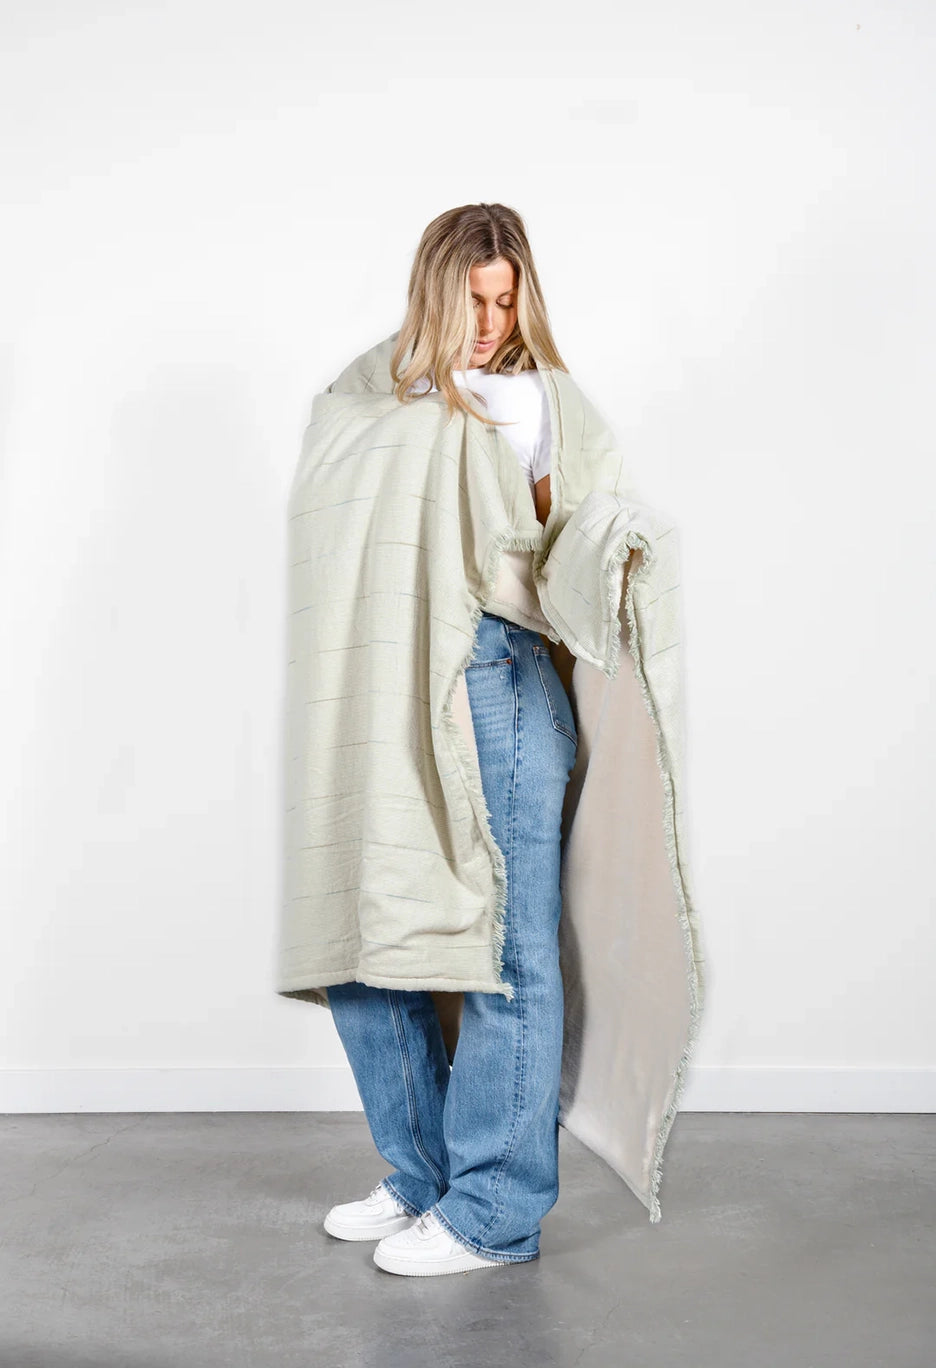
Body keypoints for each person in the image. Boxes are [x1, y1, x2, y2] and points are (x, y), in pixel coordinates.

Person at [322, 203, 581, 1276]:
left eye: (505, 300)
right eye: (471, 300)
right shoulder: (381, 396)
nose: (489, 322)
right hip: (385, 690)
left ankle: (495, 1213)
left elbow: (558, 554)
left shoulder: (526, 402)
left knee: (503, 952)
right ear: (433, 293)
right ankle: (428, 1174)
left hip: (495, 684)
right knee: (366, 942)